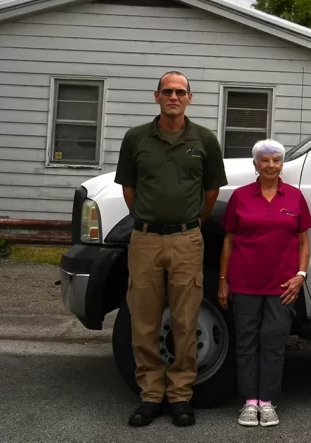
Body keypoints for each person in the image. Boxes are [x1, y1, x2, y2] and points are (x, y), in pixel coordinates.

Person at [114, 71, 228, 427]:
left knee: (185, 319)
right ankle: (150, 396)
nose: (173, 97)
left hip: (186, 240)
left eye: (180, 92)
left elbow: (211, 191)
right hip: (145, 239)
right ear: (157, 96)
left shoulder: (204, 140)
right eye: (167, 91)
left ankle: (180, 396)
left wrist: (191, 222)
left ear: (189, 98)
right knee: (144, 320)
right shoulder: (136, 139)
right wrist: (146, 218)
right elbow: (129, 188)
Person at [217, 139, 311, 428]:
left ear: (282, 165)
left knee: (273, 343)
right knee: (246, 342)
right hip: (244, 283)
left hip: (282, 287)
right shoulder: (241, 196)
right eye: (265, 160)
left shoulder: (294, 197)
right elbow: (228, 240)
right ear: (255, 164)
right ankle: (249, 402)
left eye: (276, 160)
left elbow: (304, 241)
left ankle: (268, 402)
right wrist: (223, 281)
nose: (271, 165)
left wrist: (300, 275)